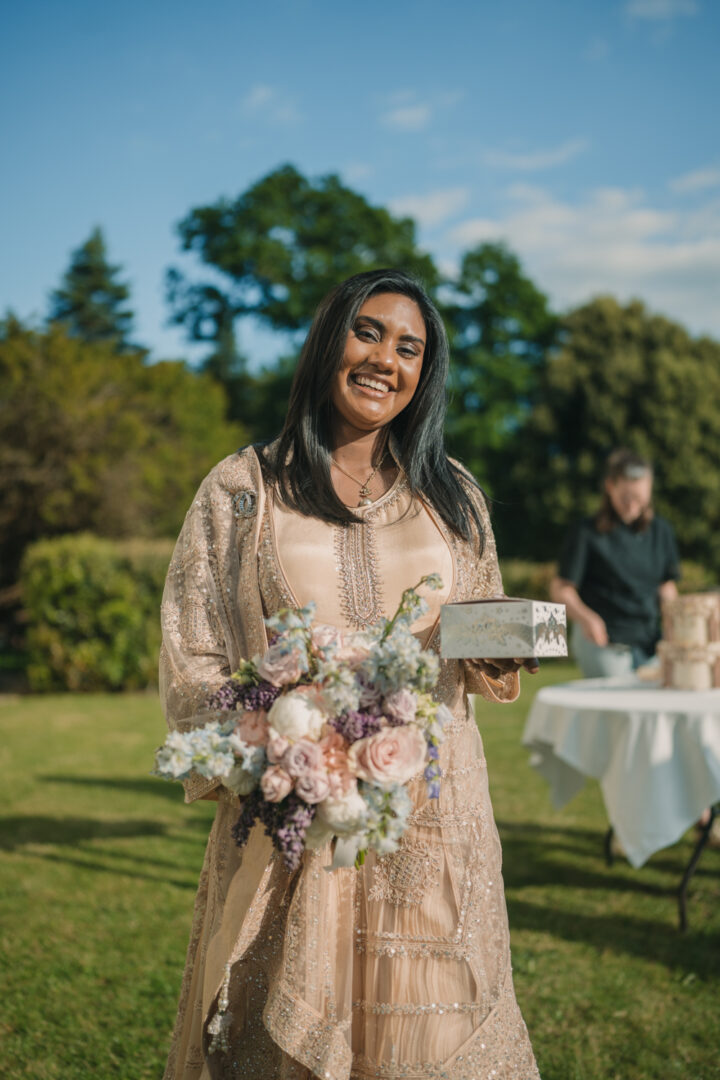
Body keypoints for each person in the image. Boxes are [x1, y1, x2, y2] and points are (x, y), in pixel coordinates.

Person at [159, 269, 540, 1080]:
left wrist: (499, 650)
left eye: (409, 348)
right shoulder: (244, 489)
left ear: (424, 372)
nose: (384, 360)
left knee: (431, 1036)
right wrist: (275, 744)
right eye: (367, 332)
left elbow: (481, 621)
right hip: (293, 821)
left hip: (434, 821)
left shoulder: (454, 495)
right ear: (328, 340)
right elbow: (192, 651)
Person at [550, 449, 680, 678]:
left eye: (639, 497)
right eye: (626, 497)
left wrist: (677, 624)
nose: (632, 505)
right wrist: (587, 618)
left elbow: (666, 588)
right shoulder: (586, 532)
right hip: (604, 643)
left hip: (650, 643)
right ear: (610, 486)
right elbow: (561, 589)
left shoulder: (661, 532)